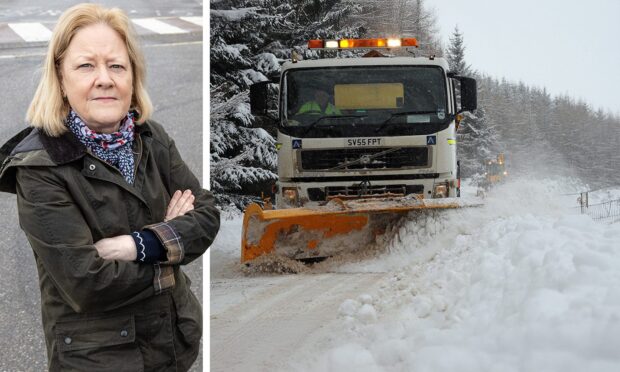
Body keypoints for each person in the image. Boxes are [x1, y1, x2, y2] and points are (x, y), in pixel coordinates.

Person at [0, 4, 219, 371]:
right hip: (100, 359)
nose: (104, 78)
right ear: (60, 77)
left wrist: (137, 245)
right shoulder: (41, 167)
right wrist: (172, 249)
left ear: (132, 76)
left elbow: (208, 214)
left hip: (173, 344)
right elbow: (87, 282)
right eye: (86, 65)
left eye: (116, 65)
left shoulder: (151, 138)